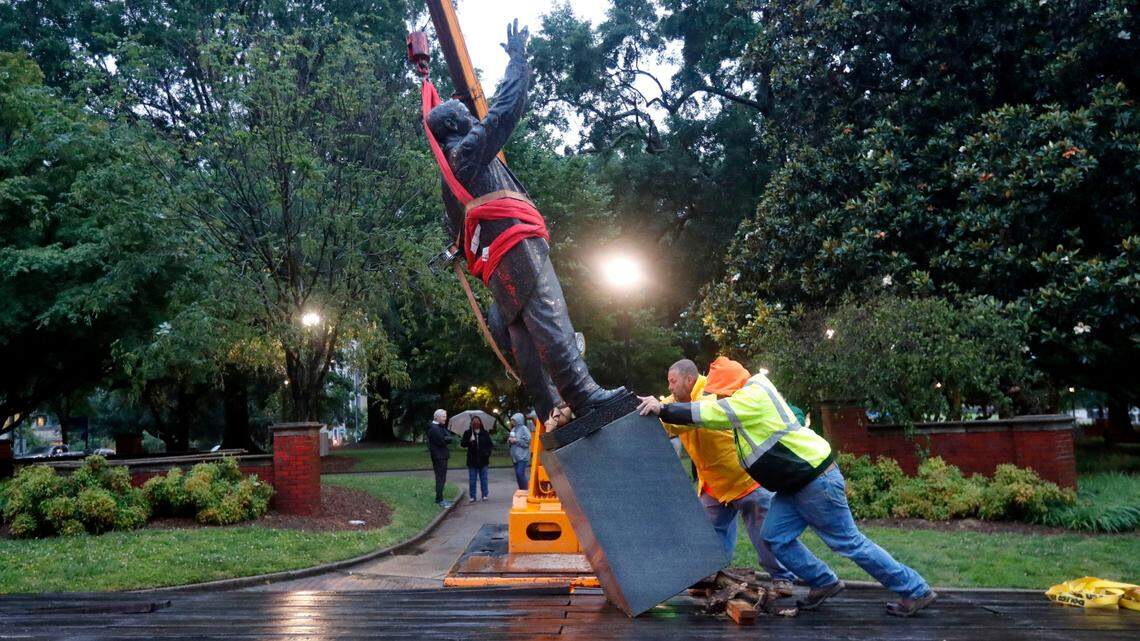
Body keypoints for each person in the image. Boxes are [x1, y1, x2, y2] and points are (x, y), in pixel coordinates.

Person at [423, 20, 621, 421]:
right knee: (550, 319)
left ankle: (552, 409)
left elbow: (459, 234)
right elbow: (505, 110)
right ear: (454, 125)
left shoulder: (451, 179)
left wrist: (457, 252)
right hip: (516, 250)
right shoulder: (469, 151)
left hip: (500, 265)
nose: (471, 115)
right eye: (464, 112)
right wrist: (518, 60)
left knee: (525, 342)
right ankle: (582, 394)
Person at [637, 367, 937, 617]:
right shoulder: (748, 391)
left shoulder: (750, 398)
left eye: (722, 392)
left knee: (849, 543)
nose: (720, 396)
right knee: (774, 536)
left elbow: (713, 411)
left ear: (732, 386)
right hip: (792, 486)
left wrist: (664, 408)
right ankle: (823, 582)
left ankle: (915, 590)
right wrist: (656, 407)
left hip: (816, 481)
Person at [659, 357, 798, 596]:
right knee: (710, 534)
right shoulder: (676, 402)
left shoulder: (713, 393)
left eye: (673, 382)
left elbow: (691, 417)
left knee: (764, 534)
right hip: (714, 485)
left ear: (689, 379)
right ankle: (711, 578)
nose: (669, 388)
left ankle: (783, 578)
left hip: (746, 480)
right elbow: (664, 418)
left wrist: (663, 411)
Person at [461, 416, 494, 502]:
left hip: (483, 460)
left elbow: (490, 445)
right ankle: (472, 496)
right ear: (471, 423)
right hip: (472, 460)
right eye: (474, 422)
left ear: (480, 422)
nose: (476, 423)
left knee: (484, 478)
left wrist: (487, 453)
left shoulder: (485, 433)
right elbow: (463, 444)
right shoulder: (468, 433)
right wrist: (469, 441)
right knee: (472, 479)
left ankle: (485, 495)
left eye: (477, 421)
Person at [427, 409, 453, 507]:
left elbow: (448, 437)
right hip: (439, 457)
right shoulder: (434, 428)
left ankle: (440, 498)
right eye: (443, 417)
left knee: (442, 478)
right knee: (440, 478)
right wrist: (447, 438)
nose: (445, 419)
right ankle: (439, 500)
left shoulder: (439, 427)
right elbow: (443, 440)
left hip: (442, 455)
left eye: (445, 417)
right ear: (437, 417)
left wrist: (447, 438)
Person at [508, 412, 532, 490]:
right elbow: (511, 442)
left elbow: (528, 441)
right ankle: (521, 489)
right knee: (518, 475)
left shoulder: (524, 428)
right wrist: (509, 441)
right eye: (512, 420)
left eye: (514, 420)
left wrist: (516, 440)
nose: (512, 422)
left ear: (518, 420)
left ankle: (525, 489)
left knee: (520, 473)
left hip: (522, 456)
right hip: (515, 457)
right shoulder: (514, 429)